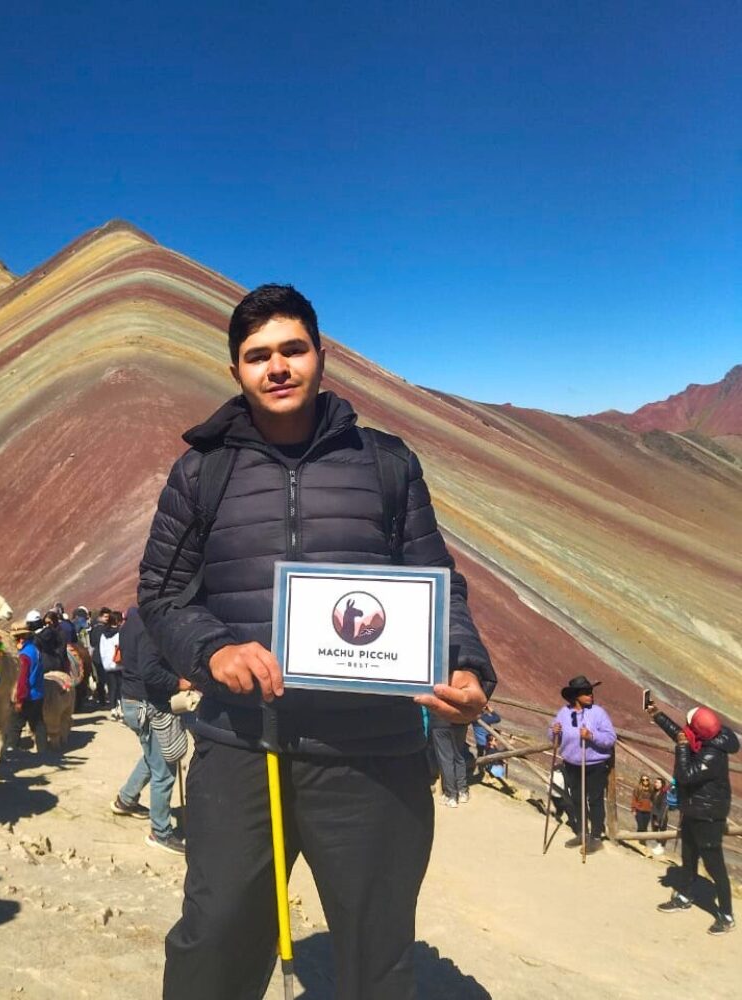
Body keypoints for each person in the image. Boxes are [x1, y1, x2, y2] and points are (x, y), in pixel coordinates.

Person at [138, 283, 495, 998]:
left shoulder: (388, 464)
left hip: (372, 753)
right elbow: (161, 594)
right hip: (243, 746)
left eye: (292, 350)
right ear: (235, 370)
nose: (277, 367)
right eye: (257, 355)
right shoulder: (202, 471)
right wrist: (214, 651)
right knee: (214, 942)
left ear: (322, 356)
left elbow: (435, 580)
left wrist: (464, 663)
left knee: (377, 955)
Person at [650, 703, 737, 935]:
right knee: (688, 855)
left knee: (714, 865)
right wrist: (657, 715)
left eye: (691, 724)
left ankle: (726, 914)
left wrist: (680, 749)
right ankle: (685, 896)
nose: (687, 728)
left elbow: (685, 776)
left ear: (700, 730)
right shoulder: (708, 738)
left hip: (708, 816)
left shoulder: (712, 754)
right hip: (694, 810)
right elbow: (684, 735)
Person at [111, 607, 189, 854]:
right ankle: (160, 832)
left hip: (132, 700)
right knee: (164, 771)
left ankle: (126, 799)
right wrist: (179, 682)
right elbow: (150, 670)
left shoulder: (133, 617)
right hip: (147, 704)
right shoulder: (152, 627)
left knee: (151, 757)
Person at [549, 675, 615, 854]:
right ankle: (582, 832)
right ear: (576, 695)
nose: (590, 695)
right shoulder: (564, 713)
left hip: (594, 764)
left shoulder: (598, 713)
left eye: (591, 692)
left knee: (594, 800)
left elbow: (610, 738)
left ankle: (595, 837)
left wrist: (592, 736)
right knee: (577, 799)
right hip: (571, 763)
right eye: (586, 693)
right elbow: (554, 736)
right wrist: (554, 732)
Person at [5, 617, 47, 757]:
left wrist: (19, 699)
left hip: (27, 695)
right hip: (38, 693)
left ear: (20, 639)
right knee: (38, 723)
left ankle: (11, 749)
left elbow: (22, 680)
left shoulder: (23, 656)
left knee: (15, 723)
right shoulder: (34, 649)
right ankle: (42, 750)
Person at [430, 717, 469, 806]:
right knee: (459, 757)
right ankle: (462, 791)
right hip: (461, 722)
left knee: (446, 759)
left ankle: (451, 795)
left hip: (440, 723)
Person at [472, 704, 501, 777]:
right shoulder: (485, 718)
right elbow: (497, 718)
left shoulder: (473, 718)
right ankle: (489, 772)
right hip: (487, 743)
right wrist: (491, 710)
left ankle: (480, 770)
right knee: (490, 758)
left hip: (479, 742)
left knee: (480, 755)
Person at [650, 776, 669, 855]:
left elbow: (663, 807)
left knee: (662, 831)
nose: (656, 784)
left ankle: (661, 847)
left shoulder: (664, 794)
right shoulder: (654, 792)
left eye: (658, 782)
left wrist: (659, 819)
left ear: (662, 784)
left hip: (661, 816)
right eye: (655, 782)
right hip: (654, 814)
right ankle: (658, 845)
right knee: (654, 831)